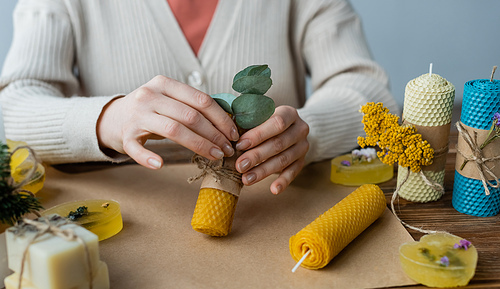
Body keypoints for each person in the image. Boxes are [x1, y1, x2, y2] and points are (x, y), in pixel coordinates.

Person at [0, 0, 398, 195]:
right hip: (127, 222)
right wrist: (109, 118)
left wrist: (310, 132)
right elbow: (15, 105)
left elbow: (369, 91)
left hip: (277, 205)